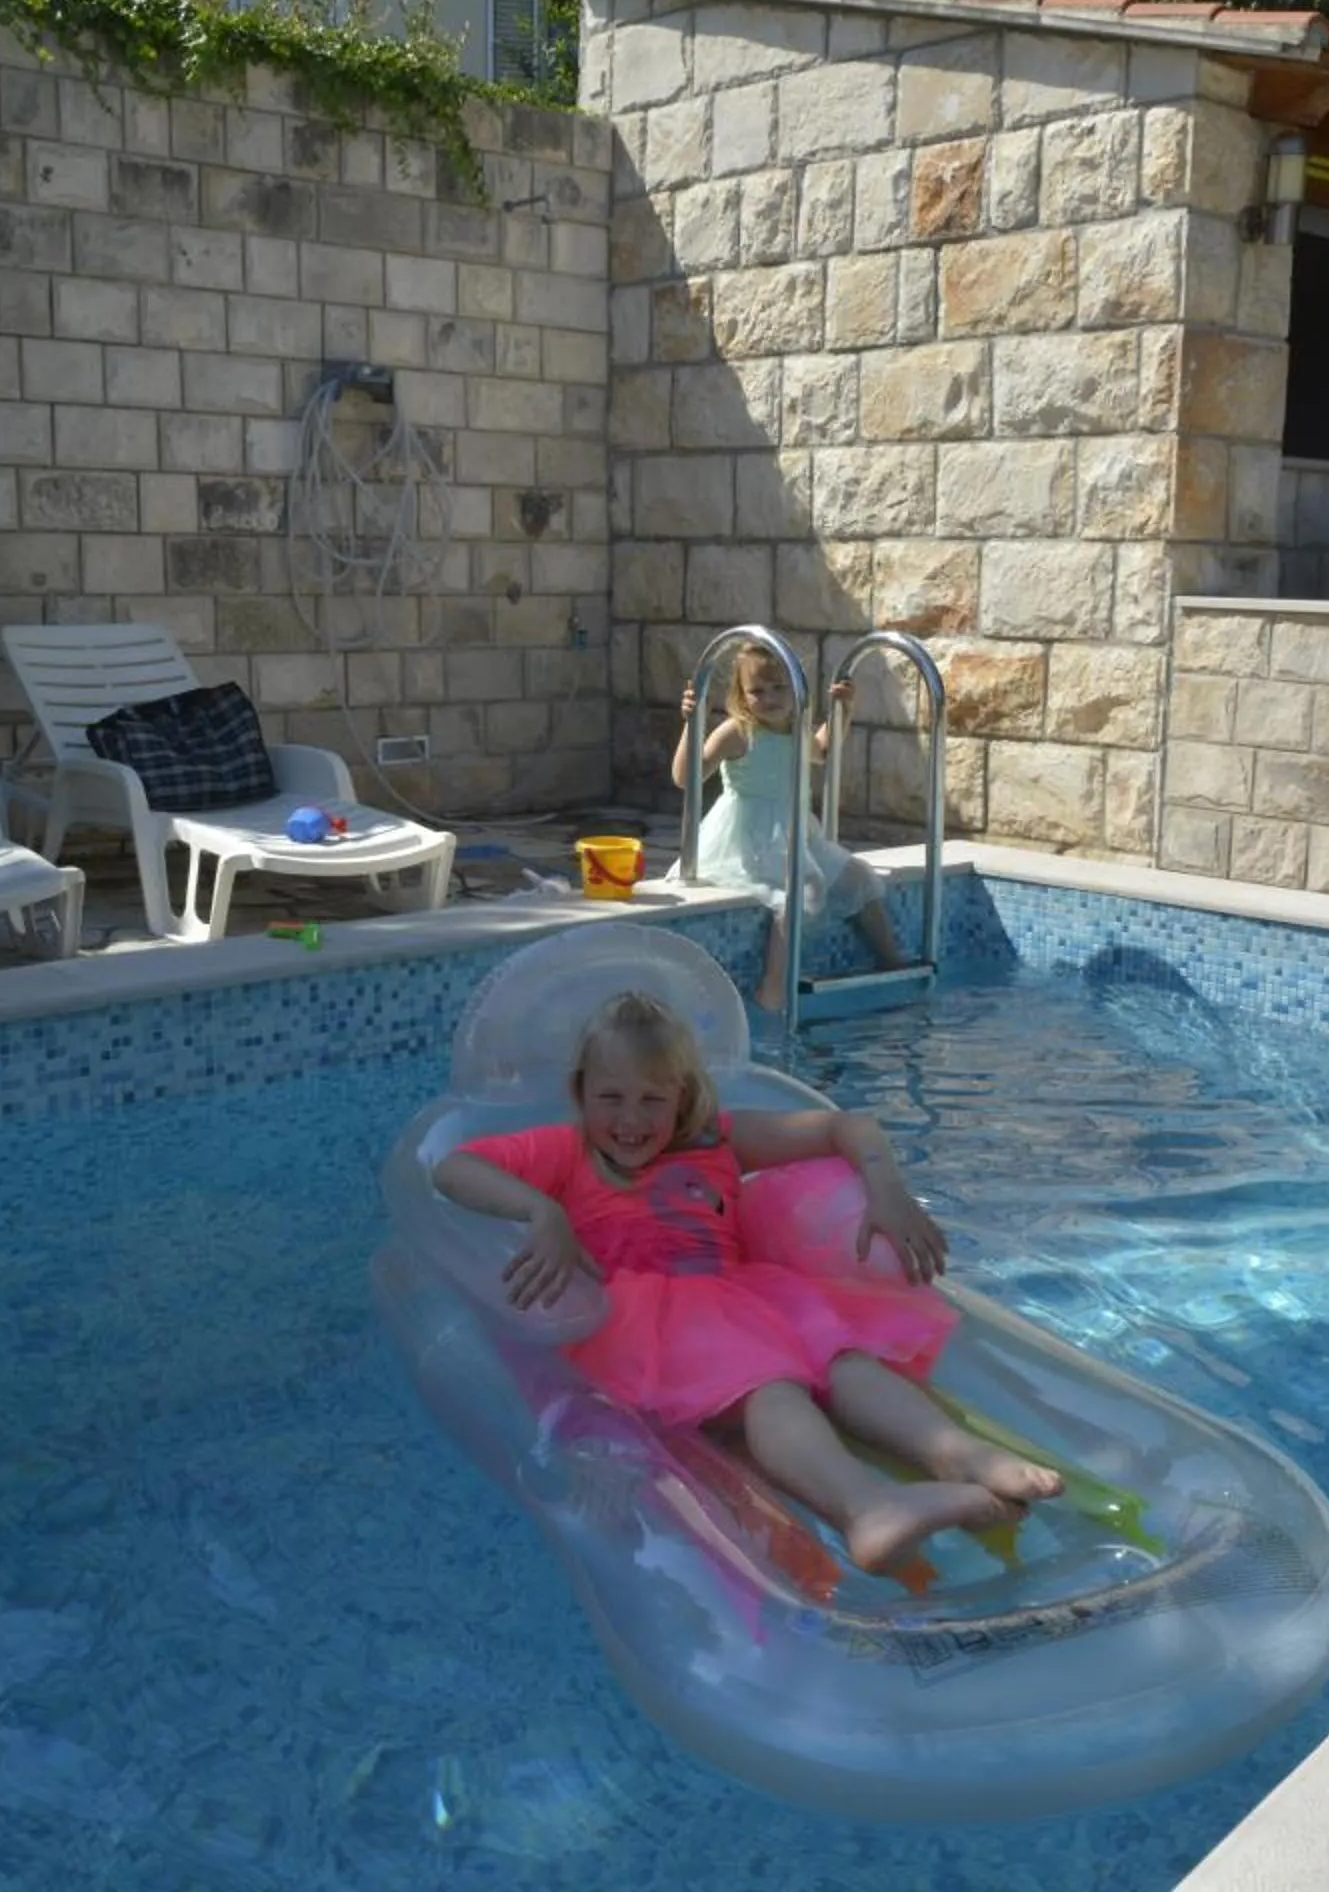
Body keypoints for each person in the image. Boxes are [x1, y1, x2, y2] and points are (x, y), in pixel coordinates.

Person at [432, 992, 1060, 1575]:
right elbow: (453, 1168)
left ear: (683, 1097)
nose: (629, 1119)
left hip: (746, 1299)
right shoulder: (567, 1153)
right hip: (649, 1324)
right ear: (581, 1093)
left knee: (846, 1363)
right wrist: (543, 1212)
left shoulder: (719, 1141)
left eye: (652, 1100)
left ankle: (961, 1455)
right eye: (611, 1098)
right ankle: (865, 1507)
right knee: (770, 1389)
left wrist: (886, 1191)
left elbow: (847, 1126)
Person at [676, 651, 903, 1012]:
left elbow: (823, 751)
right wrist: (693, 722)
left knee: (858, 877)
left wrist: (842, 709)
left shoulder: (795, 728)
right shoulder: (739, 732)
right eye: (757, 691)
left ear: (796, 689)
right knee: (801, 891)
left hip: (795, 835)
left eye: (779, 688)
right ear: (740, 695)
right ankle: (773, 985)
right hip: (749, 839)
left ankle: (892, 960)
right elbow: (686, 777)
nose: (770, 698)